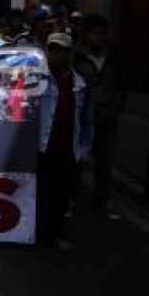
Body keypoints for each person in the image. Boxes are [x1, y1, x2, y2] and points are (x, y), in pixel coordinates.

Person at [37, 33, 93, 249]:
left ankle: (55, 234)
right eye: (53, 50)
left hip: (66, 148)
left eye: (62, 51)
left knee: (61, 194)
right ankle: (36, 233)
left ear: (70, 54)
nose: (57, 55)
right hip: (40, 147)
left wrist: (83, 148)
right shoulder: (36, 79)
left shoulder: (79, 84)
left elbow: (86, 119)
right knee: (40, 192)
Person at [74, 14, 122, 219]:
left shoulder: (113, 58)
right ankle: (72, 201)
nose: (99, 37)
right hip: (84, 119)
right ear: (85, 35)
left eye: (103, 33)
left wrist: (117, 106)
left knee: (105, 163)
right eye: (95, 33)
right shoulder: (76, 58)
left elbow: (120, 85)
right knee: (77, 162)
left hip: (107, 118)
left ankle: (105, 200)